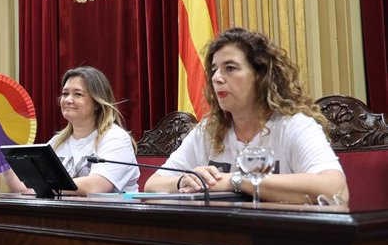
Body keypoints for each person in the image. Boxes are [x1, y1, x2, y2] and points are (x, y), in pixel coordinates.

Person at [144, 27, 348, 204]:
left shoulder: (294, 125)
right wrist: (183, 180)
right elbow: (152, 186)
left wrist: (236, 181)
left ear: (261, 75)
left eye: (230, 68)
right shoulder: (208, 131)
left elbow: (335, 189)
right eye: (214, 70)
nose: (216, 78)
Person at [0, 66, 140, 195]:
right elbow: (23, 187)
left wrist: (44, 185)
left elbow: (95, 186)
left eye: (78, 94)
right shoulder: (57, 142)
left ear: (97, 102)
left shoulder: (116, 138)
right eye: (65, 94)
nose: (68, 100)